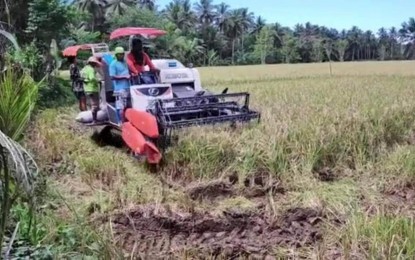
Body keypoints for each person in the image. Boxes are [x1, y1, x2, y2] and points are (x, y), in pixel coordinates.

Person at [109, 46, 131, 123]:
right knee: (120, 107)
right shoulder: (113, 64)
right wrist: (124, 77)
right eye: (119, 54)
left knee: (128, 106)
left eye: (122, 54)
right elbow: (112, 77)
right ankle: (120, 122)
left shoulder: (125, 62)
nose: (121, 55)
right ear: (116, 55)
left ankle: (128, 121)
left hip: (128, 87)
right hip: (119, 89)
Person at [80, 56, 101, 124]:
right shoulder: (91, 69)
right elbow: (92, 78)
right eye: (94, 63)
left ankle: (92, 118)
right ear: (92, 63)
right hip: (93, 89)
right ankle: (94, 120)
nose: (95, 64)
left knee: (91, 104)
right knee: (95, 105)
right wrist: (98, 80)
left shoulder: (84, 69)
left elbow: (83, 77)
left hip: (87, 89)